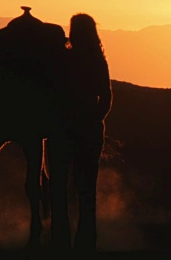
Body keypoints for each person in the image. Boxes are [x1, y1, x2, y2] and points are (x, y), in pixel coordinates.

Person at [64, 13, 113, 252]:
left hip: (67, 128)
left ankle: (62, 239)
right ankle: (86, 243)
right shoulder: (98, 60)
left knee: (63, 187)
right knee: (86, 190)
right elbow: (106, 98)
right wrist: (93, 121)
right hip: (89, 130)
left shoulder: (65, 59)